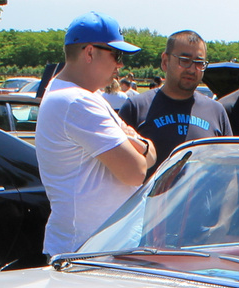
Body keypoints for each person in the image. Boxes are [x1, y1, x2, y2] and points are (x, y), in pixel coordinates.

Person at [34, 12, 156, 257]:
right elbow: (137, 172)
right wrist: (142, 148)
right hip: (87, 254)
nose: (120, 65)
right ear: (89, 52)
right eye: (116, 55)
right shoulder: (77, 102)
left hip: (92, 249)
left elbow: (148, 153)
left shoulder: (82, 96)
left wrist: (141, 146)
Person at [118, 30, 232, 170]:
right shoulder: (136, 107)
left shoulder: (216, 111)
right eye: (184, 60)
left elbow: (228, 170)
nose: (192, 69)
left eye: (199, 63)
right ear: (165, 61)